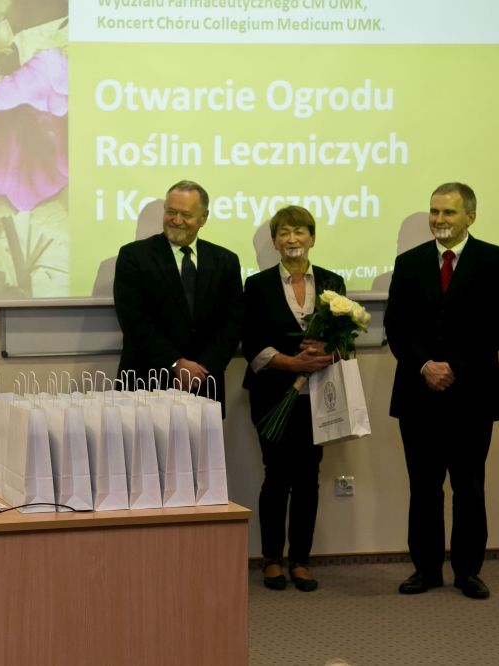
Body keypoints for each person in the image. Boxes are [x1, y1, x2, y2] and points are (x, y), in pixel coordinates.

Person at [385, 182, 499, 600]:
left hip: (471, 395)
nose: (439, 219)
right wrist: (425, 366)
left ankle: (468, 572)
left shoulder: (498, 261)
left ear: (470, 217)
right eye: (434, 211)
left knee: (469, 488)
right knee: (423, 489)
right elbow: (396, 327)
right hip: (418, 393)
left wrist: (453, 368)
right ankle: (425, 570)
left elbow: (496, 329)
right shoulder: (408, 263)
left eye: (449, 212)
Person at [242, 205, 345, 592]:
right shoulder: (257, 285)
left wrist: (327, 353)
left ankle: (300, 560)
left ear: (312, 238)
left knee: (308, 478)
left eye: (300, 231)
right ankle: (272, 559)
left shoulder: (333, 282)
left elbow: (345, 339)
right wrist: (292, 363)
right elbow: (251, 343)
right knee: (276, 475)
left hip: (318, 396)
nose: (292, 239)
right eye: (284, 232)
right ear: (274, 242)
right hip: (272, 395)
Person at [113, 180, 243, 401]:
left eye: (186, 214)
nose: (176, 220)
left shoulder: (225, 260)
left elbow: (233, 321)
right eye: (171, 212)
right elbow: (133, 319)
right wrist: (175, 363)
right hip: (146, 381)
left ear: (203, 218)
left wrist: (201, 369)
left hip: (204, 382)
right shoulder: (133, 256)